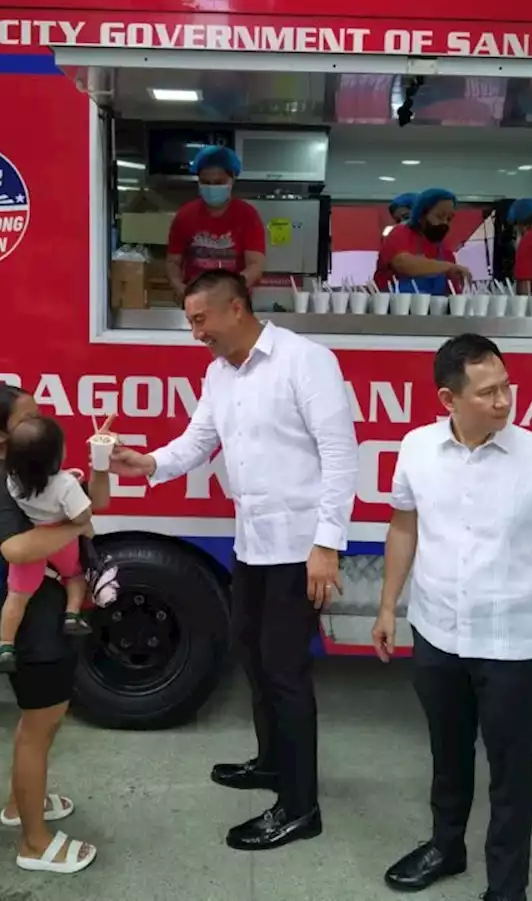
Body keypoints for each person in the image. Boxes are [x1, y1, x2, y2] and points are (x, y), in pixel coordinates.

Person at [110, 269, 358, 851]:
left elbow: (340, 455)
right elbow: (199, 441)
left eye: (200, 320)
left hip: (300, 548)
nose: (195, 333)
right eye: (190, 322)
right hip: (253, 543)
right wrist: (145, 463)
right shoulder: (219, 373)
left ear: (237, 309)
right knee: (251, 655)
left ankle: (300, 807)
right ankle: (273, 764)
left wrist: (327, 544)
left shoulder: (306, 361)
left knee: (286, 671)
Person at [371, 334, 532, 901]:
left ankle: (506, 887)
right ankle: (447, 848)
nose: (504, 400)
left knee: (511, 773)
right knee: (447, 754)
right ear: (449, 399)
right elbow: (403, 526)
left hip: (510, 645)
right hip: (436, 632)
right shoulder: (416, 447)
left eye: (507, 386)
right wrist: (387, 606)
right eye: (488, 391)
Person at [0, 383, 111, 875]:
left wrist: (100, 464)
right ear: (0, 432)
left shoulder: (43, 475)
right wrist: (78, 527)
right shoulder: (1, 483)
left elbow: (97, 502)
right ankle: (34, 842)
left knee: (39, 725)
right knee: (37, 729)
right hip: (33, 626)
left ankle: (19, 804)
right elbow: (16, 551)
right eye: (28, 417)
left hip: (51, 617)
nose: (39, 423)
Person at [0, 415, 93, 673]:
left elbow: (42, 485)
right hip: (60, 539)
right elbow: (82, 515)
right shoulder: (66, 485)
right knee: (74, 575)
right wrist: (73, 491)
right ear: (56, 456)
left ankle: (5, 646)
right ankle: (72, 614)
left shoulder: (13, 479)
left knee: (16, 597)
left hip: (33, 538)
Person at [166, 144, 266, 297]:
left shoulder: (248, 215)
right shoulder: (185, 215)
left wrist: (229, 291)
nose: (212, 187)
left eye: (219, 182)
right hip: (195, 298)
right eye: (206, 182)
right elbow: (173, 262)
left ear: (232, 179)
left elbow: (255, 265)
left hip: (233, 300)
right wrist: (181, 288)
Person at [374, 187, 473, 294]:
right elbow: (402, 263)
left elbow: (452, 291)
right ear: (421, 215)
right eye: (439, 216)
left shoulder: (444, 251)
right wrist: (447, 267)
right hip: (395, 308)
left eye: (449, 219)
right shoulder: (400, 233)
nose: (444, 223)